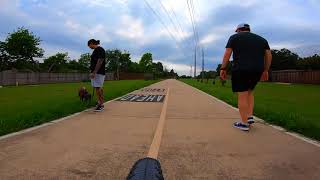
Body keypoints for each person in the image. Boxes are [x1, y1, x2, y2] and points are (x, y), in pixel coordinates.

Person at [220, 23, 272, 131]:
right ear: (248, 29)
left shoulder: (234, 37)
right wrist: (266, 70)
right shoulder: (262, 39)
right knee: (250, 92)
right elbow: (268, 55)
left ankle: (243, 124)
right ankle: (249, 117)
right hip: (257, 70)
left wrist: (223, 68)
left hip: (241, 69)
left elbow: (227, 53)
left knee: (242, 95)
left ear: (239, 30)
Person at [88, 39, 106, 112]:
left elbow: (100, 60)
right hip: (96, 72)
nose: (89, 47)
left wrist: (94, 72)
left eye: (89, 45)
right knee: (98, 88)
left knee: (98, 88)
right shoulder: (96, 50)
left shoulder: (99, 49)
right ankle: (100, 102)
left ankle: (101, 105)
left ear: (92, 43)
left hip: (98, 72)